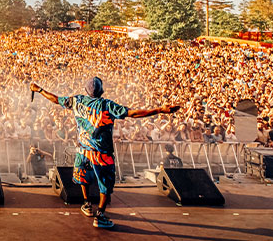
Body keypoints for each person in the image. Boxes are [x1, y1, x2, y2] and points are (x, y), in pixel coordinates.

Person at [31, 77, 180, 229]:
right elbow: (133, 114)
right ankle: (100, 215)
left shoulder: (77, 101)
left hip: (83, 149)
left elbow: (56, 99)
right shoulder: (107, 105)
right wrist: (161, 110)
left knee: (83, 176)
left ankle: (87, 204)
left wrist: (40, 90)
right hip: (102, 153)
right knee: (105, 184)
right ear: (102, 90)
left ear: (85, 90)